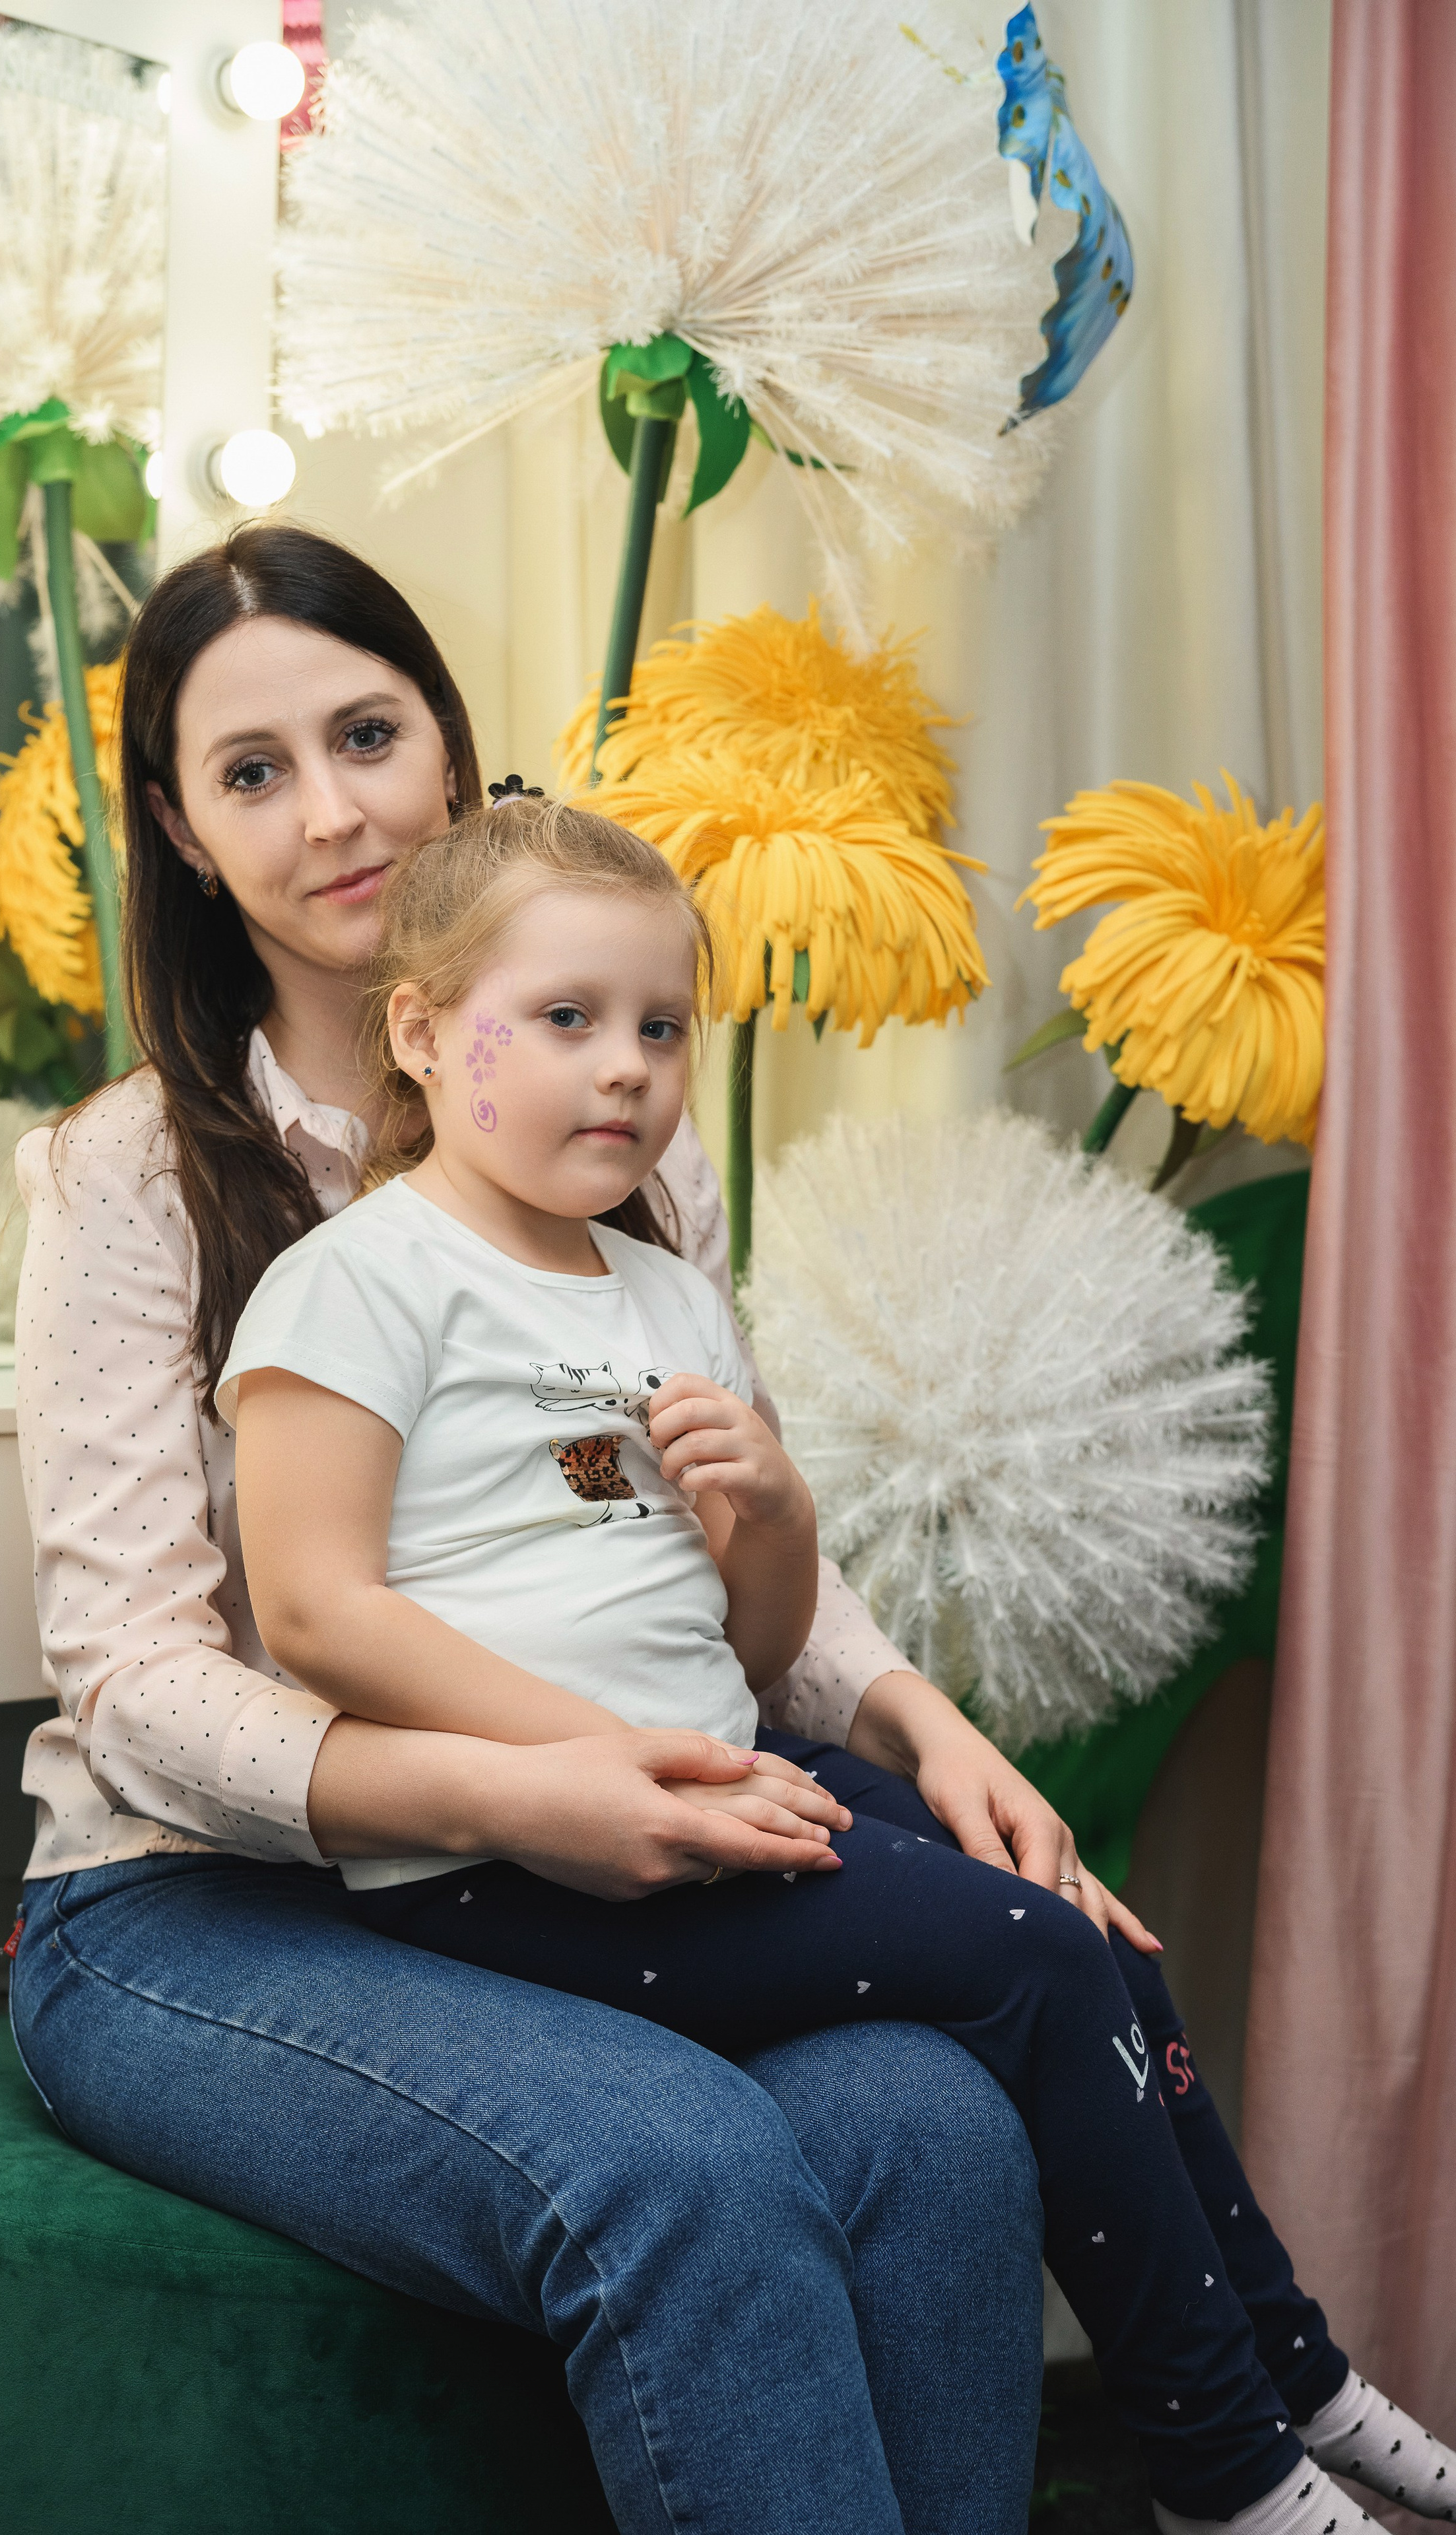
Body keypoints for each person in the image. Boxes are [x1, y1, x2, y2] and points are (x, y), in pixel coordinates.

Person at [9, 521, 1082, 2535]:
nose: (329, 811)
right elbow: (140, 1681)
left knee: (939, 2128)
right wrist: (515, 1794)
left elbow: (701, 1521)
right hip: (187, 1905)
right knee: (678, 2163)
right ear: (180, 826)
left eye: (367, 733)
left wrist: (910, 1717)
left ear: (450, 749)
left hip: (546, 1852)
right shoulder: (129, 1172)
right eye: (252, 772)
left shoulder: (618, 1135)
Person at [220, 790, 1456, 2535]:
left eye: (661, 1026)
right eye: (566, 1021)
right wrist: (589, 1761)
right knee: (1030, 1956)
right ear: (421, 1035)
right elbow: (317, 1610)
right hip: (507, 1858)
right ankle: (1224, 2464)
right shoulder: (359, 1283)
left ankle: (1290, 2364)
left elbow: (760, 1642)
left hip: (709, 1774)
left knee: (1060, 1885)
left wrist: (776, 1513)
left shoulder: (665, 1299)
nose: (628, 1069)